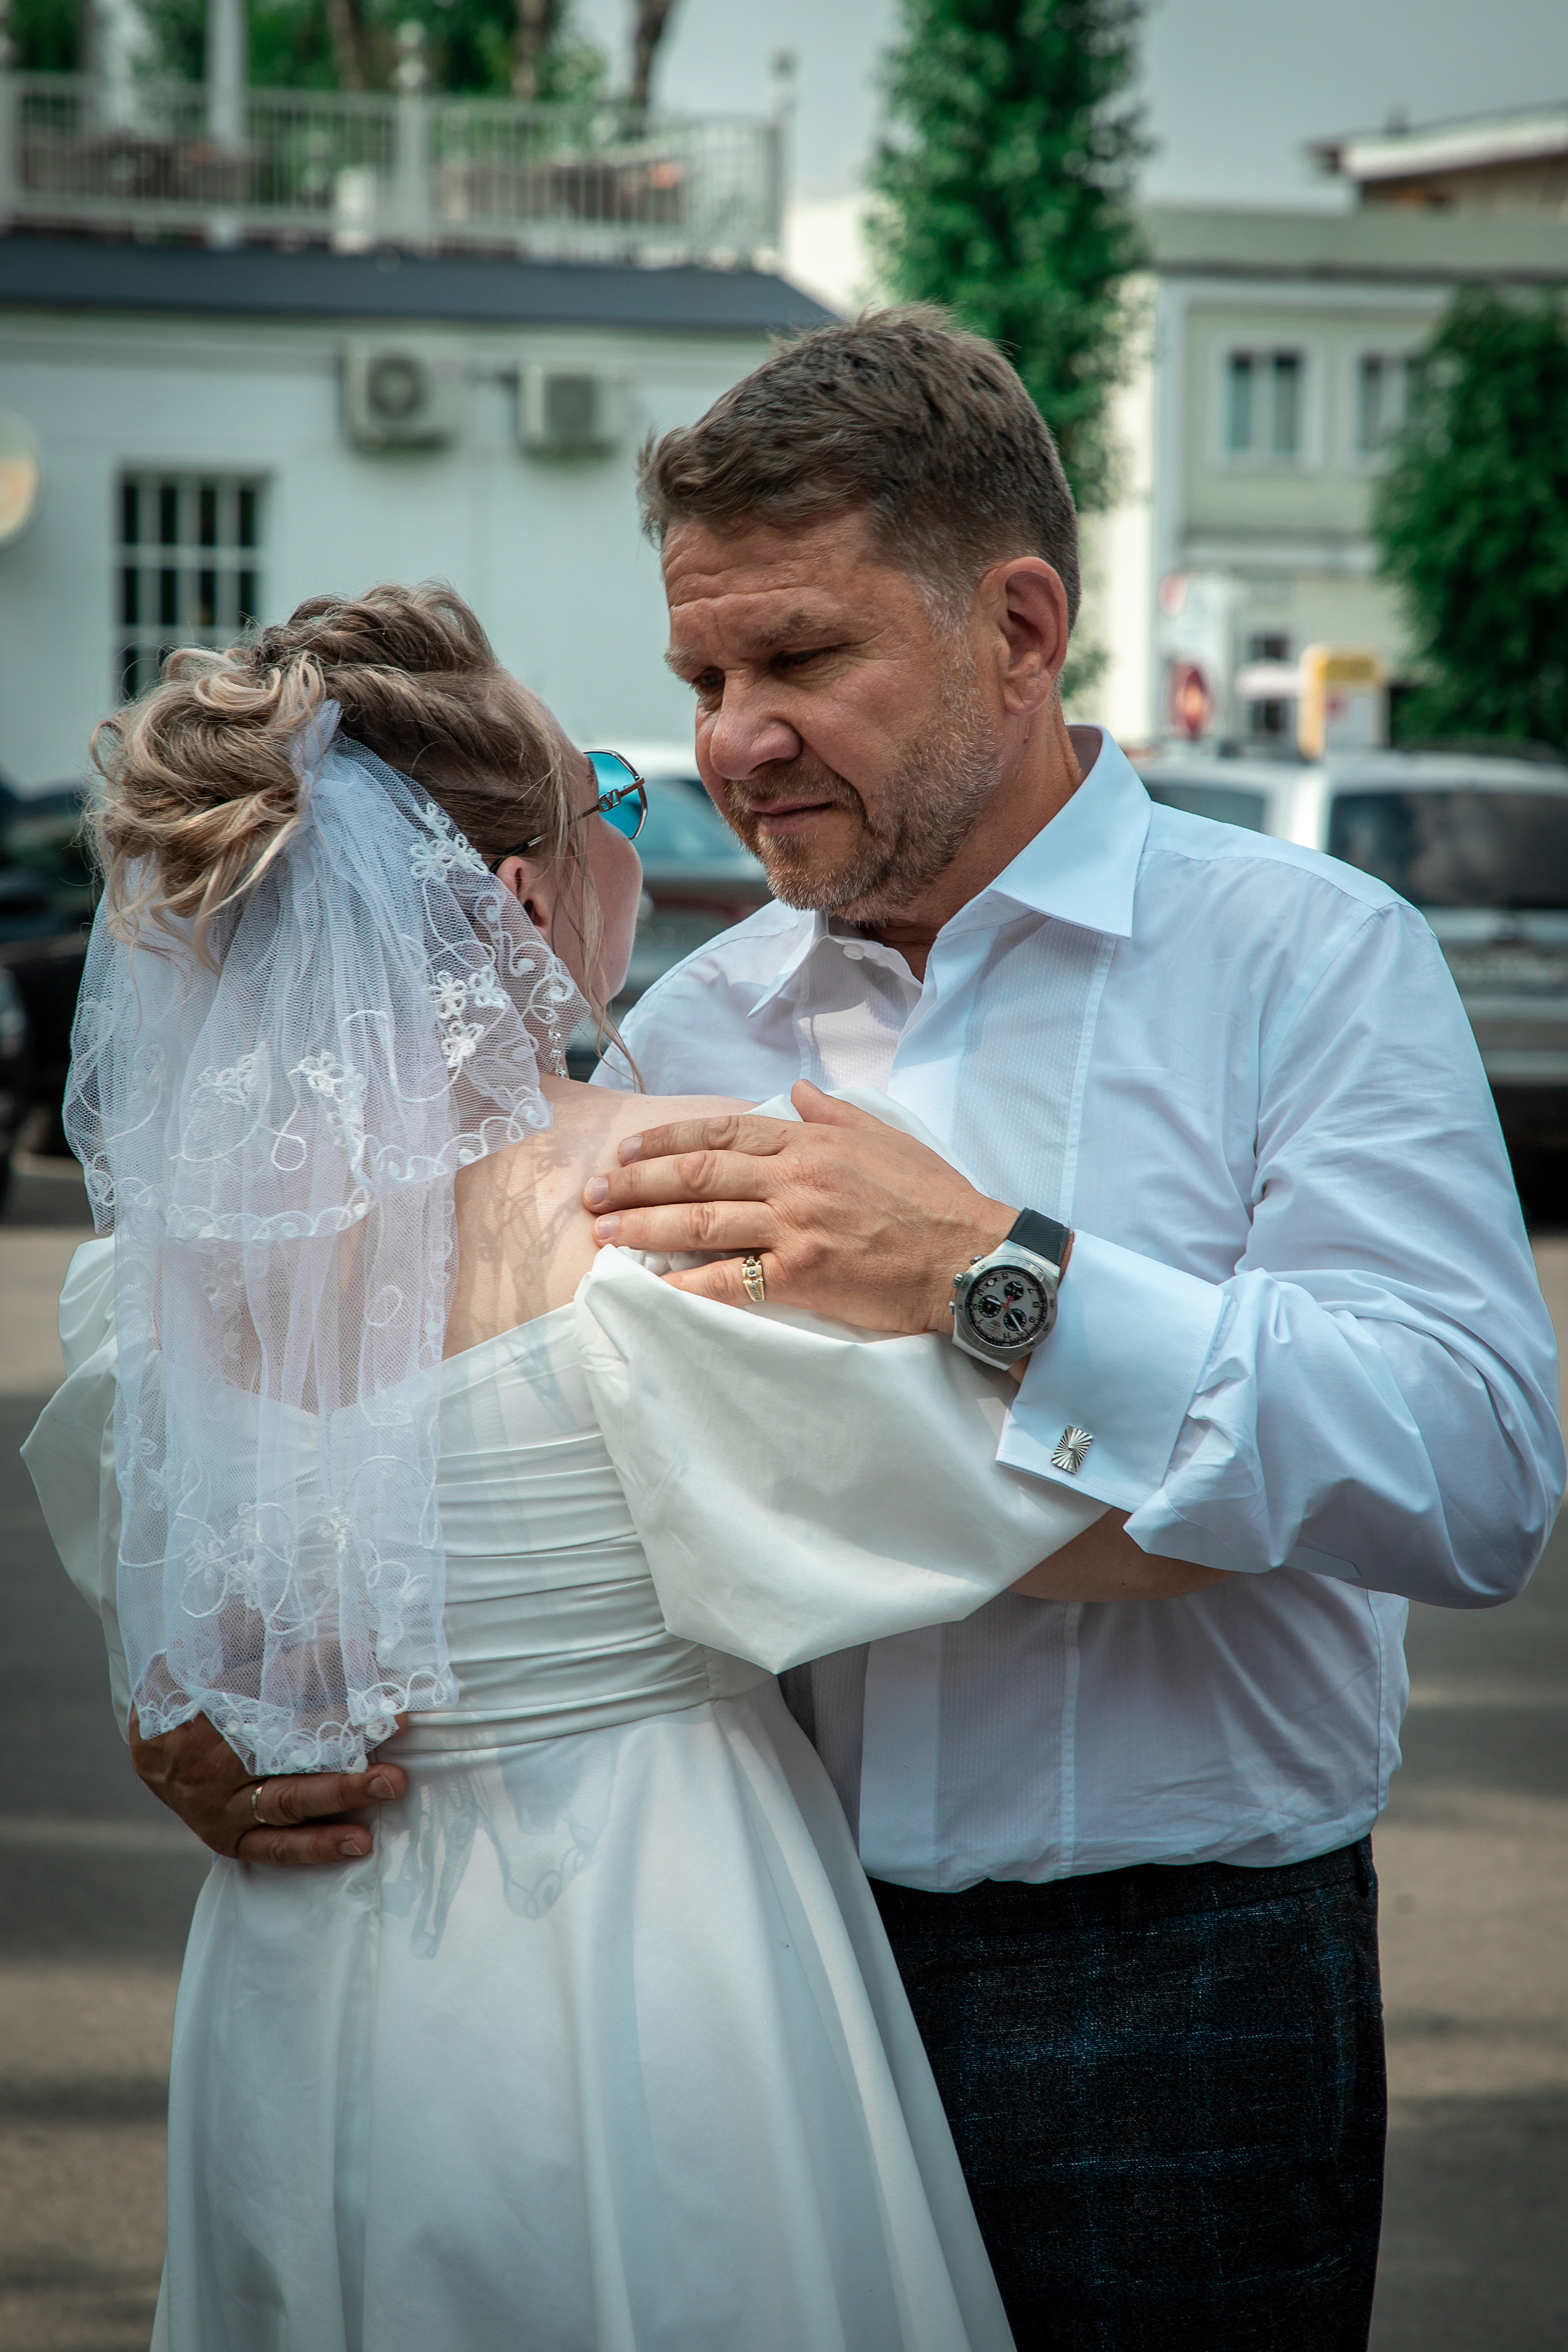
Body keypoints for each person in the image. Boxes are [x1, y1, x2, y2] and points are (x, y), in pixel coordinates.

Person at [560, 310, 1566, 2350]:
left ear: (1021, 627)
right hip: (759, 1951)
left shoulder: (1307, 959)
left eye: (801, 659)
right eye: (703, 677)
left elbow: (1474, 1473)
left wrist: (985, 1272)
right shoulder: (691, 1030)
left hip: (1188, 1995)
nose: (734, 737)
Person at [25, 581, 1184, 2352]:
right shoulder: (674, 1208)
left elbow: (191, 1646)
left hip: (299, 1964)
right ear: (517, 904)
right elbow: (1141, 1525)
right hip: (636, 1949)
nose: (640, 842)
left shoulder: (140, 1292)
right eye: (614, 806)